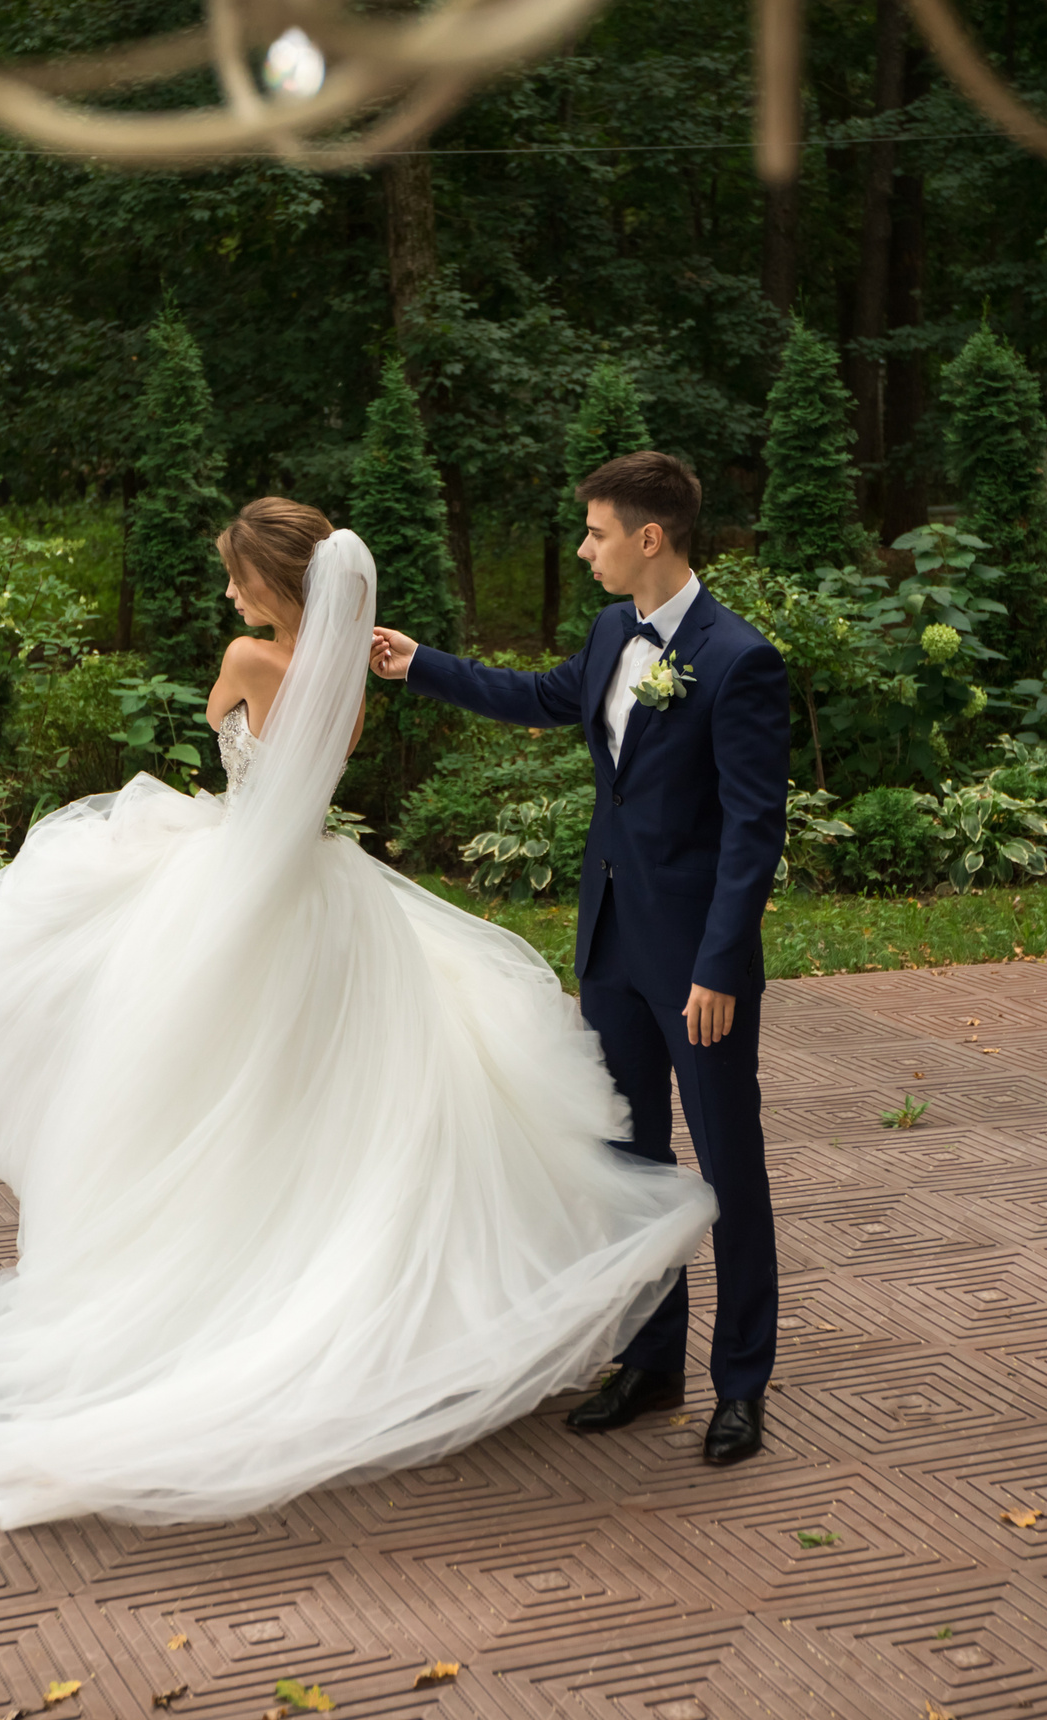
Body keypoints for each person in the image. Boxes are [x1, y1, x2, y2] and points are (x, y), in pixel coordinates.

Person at [0, 498, 714, 1527]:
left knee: (197, 1087)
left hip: (242, 886)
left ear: (274, 584)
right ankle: (344, 1289)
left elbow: (225, 736)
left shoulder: (249, 660)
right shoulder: (343, 679)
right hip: (329, 901)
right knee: (335, 1106)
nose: (228, 592)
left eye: (238, 578)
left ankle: (215, 1292)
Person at [370, 450, 789, 1466]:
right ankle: (650, 1362)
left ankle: (741, 1385)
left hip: (696, 967)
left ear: (650, 537)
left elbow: (752, 832)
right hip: (609, 948)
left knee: (728, 1168)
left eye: (596, 533)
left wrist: (719, 966)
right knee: (628, 1163)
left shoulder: (740, 660)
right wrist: (419, 663)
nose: (583, 549)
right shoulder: (610, 631)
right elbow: (542, 697)